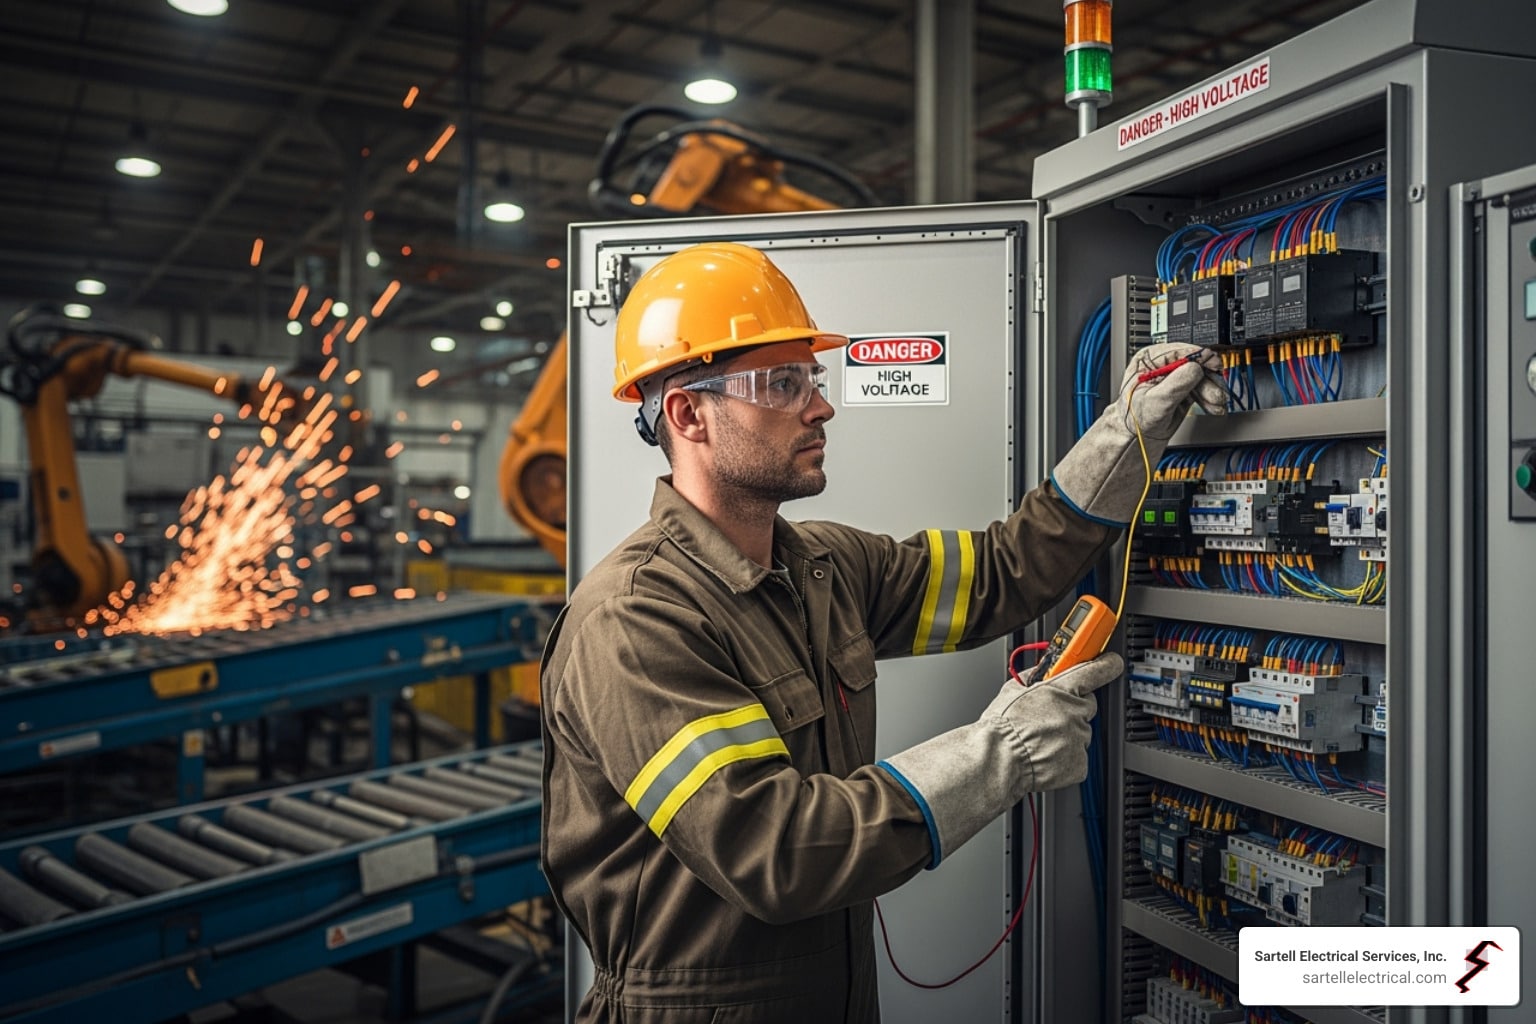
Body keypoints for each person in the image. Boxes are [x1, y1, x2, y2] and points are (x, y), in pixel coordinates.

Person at [539, 242, 1225, 1024]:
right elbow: (777, 852)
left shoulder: (825, 565)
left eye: (814, 380)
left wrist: (1127, 432)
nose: (820, 406)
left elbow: (1006, 572)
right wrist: (999, 753)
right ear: (687, 413)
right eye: (782, 383)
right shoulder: (636, 618)